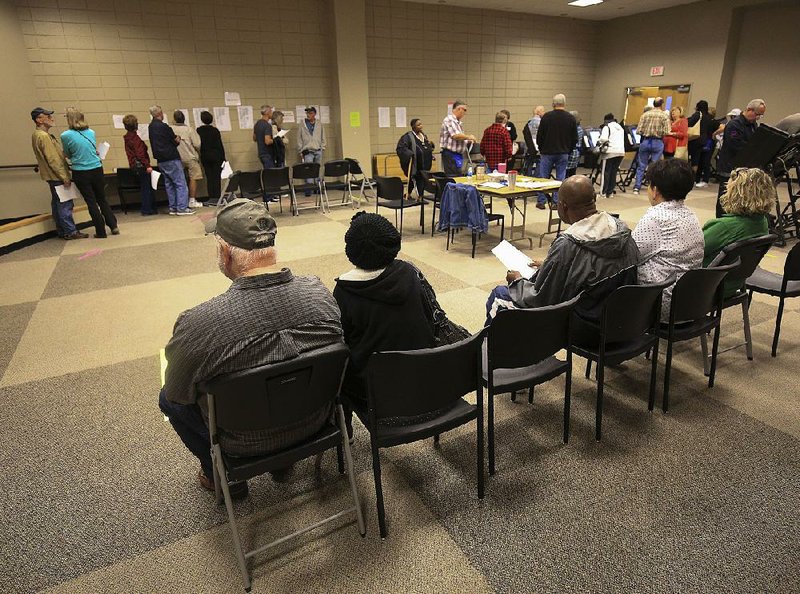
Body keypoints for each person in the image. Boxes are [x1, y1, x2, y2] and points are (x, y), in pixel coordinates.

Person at [159, 198, 344, 495]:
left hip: (241, 440)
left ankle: (222, 476)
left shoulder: (198, 324)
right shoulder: (320, 294)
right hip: (316, 422)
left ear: (224, 252)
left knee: (167, 400)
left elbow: (177, 393)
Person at [485, 175, 640, 322]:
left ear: (563, 206)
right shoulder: (621, 230)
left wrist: (517, 281)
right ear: (594, 199)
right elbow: (593, 271)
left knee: (499, 295)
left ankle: (492, 350)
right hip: (622, 321)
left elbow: (541, 299)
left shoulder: (568, 244)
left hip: (584, 325)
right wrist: (551, 264)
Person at [333, 212, 435, 420]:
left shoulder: (344, 290)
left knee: (334, 364)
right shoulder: (410, 273)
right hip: (422, 376)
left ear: (351, 250)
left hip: (372, 389)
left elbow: (341, 341)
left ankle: (346, 429)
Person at [632, 159, 704, 320]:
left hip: (661, 303)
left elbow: (630, 256)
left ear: (655, 190)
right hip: (692, 301)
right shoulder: (691, 215)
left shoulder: (656, 218)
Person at [702, 167, 773, 298]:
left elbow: (689, 251)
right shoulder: (762, 222)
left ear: (737, 194)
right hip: (733, 285)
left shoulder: (723, 227)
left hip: (705, 288)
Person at [61, 106, 119, 238]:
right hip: (97, 169)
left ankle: (100, 231)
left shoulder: (65, 135)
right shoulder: (91, 132)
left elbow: (68, 154)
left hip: (81, 171)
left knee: (91, 201)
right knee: (102, 199)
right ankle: (113, 225)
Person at [30, 107, 86, 240]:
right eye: (47, 116)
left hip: (52, 176)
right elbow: (53, 160)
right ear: (38, 120)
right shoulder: (43, 136)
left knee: (57, 203)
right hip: (57, 176)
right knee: (65, 204)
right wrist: (65, 176)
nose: (51, 118)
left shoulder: (39, 135)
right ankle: (70, 231)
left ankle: (62, 230)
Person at [715, 99, 767, 218]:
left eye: (761, 115)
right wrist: (753, 149)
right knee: (725, 196)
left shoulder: (753, 124)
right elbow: (735, 145)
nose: (758, 117)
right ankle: (720, 219)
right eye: (757, 114)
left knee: (738, 196)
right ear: (749, 110)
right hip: (729, 166)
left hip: (743, 166)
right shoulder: (734, 124)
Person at [148, 105, 192, 215]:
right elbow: (174, 140)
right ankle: (182, 208)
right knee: (180, 183)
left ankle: (173, 207)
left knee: (169, 184)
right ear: (160, 114)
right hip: (171, 157)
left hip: (160, 159)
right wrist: (178, 139)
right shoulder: (164, 127)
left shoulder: (151, 127)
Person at [535, 94, 577, 208]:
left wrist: (541, 148)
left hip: (547, 152)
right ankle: (556, 202)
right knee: (560, 179)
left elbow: (540, 136)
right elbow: (575, 138)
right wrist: (569, 150)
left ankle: (541, 201)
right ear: (564, 104)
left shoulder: (547, 117)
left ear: (553, 104)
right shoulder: (571, 118)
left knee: (543, 178)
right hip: (563, 153)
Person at [633, 97, 671, 195]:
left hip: (645, 141)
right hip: (657, 142)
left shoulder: (645, 115)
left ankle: (637, 187)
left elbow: (638, 130)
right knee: (655, 166)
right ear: (661, 104)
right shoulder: (664, 115)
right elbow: (667, 131)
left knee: (641, 165)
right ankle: (653, 187)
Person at [122, 114, 157, 215]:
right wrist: (147, 165)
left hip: (134, 166)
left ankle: (147, 208)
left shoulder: (127, 138)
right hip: (141, 166)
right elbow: (140, 154)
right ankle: (147, 209)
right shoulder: (135, 139)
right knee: (146, 188)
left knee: (144, 187)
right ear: (136, 125)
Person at [171, 110, 203, 209]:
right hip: (189, 157)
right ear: (184, 119)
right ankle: (192, 200)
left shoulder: (170, 129)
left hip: (176, 157)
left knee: (178, 180)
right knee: (193, 177)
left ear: (174, 119)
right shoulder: (189, 129)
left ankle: (179, 202)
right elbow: (197, 144)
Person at [396, 118, 435, 199]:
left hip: (425, 164)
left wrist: (430, 154)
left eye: (421, 124)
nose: (421, 126)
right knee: (417, 178)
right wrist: (410, 154)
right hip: (415, 164)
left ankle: (408, 194)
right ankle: (420, 196)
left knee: (419, 179)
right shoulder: (408, 137)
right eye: (418, 125)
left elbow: (426, 147)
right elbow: (401, 148)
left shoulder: (423, 135)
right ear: (413, 126)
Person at [439, 100, 476, 176]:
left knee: (457, 175)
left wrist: (467, 141)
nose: (465, 113)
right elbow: (455, 136)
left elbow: (458, 138)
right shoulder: (449, 120)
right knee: (453, 177)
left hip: (457, 155)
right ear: (459, 109)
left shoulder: (457, 122)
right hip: (451, 154)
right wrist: (469, 137)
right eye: (465, 110)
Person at [197, 111, 226, 204]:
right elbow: (219, 145)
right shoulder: (215, 131)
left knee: (209, 177)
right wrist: (223, 158)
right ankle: (217, 197)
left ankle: (211, 197)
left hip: (205, 156)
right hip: (216, 155)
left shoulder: (199, 131)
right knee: (216, 177)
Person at [686, 100, 716, 187]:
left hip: (696, 140)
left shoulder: (698, 114)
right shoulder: (708, 117)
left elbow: (689, 123)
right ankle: (699, 179)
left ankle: (693, 179)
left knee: (695, 161)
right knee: (703, 161)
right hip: (705, 141)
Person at [297, 106, 326, 192]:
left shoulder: (319, 123)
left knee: (318, 169)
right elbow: (299, 138)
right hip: (307, 150)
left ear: (314, 114)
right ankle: (309, 189)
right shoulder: (302, 124)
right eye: (307, 113)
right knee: (309, 170)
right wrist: (300, 150)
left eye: (310, 113)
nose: (308, 115)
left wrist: (322, 147)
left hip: (318, 150)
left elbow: (323, 136)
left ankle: (318, 188)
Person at [597, 113, 625, 199]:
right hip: (620, 152)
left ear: (606, 121)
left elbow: (603, 139)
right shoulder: (620, 128)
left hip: (610, 152)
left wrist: (598, 142)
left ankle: (603, 193)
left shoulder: (607, 127)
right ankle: (610, 192)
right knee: (613, 172)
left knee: (606, 172)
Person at [253, 104, 274, 169]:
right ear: (267, 113)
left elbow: (254, 138)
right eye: (271, 111)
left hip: (261, 154)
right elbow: (267, 141)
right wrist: (276, 139)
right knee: (271, 174)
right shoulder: (267, 125)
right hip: (267, 154)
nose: (272, 113)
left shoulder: (257, 124)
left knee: (267, 174)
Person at [566, 110, 584, 178]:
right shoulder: (580, 128)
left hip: (571, 152)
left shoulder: (574, 129)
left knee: (566, 173)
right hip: (576, 153)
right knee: (572, 173)